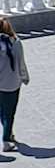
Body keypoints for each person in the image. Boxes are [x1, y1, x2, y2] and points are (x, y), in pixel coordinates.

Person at [0, 18, 28, 148]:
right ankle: (6, 139)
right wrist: (24, 77)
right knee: (9, 113)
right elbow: (21, 62)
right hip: (12, 83)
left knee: (2, 110)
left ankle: (8, 132)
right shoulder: (16, 42)